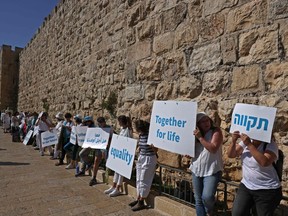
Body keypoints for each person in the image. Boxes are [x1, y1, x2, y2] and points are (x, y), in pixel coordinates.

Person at [227, 132, 282, 216]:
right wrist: (233, 141)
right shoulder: (246, 142)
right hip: (247, 185)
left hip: (266, 189)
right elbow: (231, 154)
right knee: (237, 213)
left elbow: (264, 162)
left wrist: (249, 144)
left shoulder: (270, 145)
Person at [189, 112, 223, 216]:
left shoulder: (215, 132)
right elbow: (196, 152)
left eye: (207, 120)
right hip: (196, 169)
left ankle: (210, 210)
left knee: (207, 197)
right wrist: (188, 153)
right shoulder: (194, 134)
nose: (206, 123)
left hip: (211, 170)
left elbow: (213, 148)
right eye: (202, 121)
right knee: (198, 199)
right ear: (198, 124)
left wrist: (200, 138)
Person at [128, 120, 158, 211]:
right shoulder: (141, 135)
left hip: (149, 158)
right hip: (142, 157)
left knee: (145, 179)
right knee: (139, 178)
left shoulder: (150, 135)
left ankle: (141, 201)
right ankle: (138, 198)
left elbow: (156, 150)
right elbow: (141, 147)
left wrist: (152, 146)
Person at [104, 115, 133, 196]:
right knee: (116, 170)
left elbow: (129, 140)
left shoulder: (128, 129)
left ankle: (118, 188)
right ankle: (113, 186)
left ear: (121, 121)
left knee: (121, 171)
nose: (118, 123)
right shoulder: (121, 129)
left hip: (124, 153)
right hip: (119, 152)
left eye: (119, 121)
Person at [89, 117, 113, 186]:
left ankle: (108, 176)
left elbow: (112, 137)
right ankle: (94, 177)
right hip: (99, 146)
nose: (102, 124)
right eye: (100, 123)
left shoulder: (109, 128)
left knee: (106, 161)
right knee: (96, 161)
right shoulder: (98, 128)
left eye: (102, 122)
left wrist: (108, 143)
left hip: (106, 147)